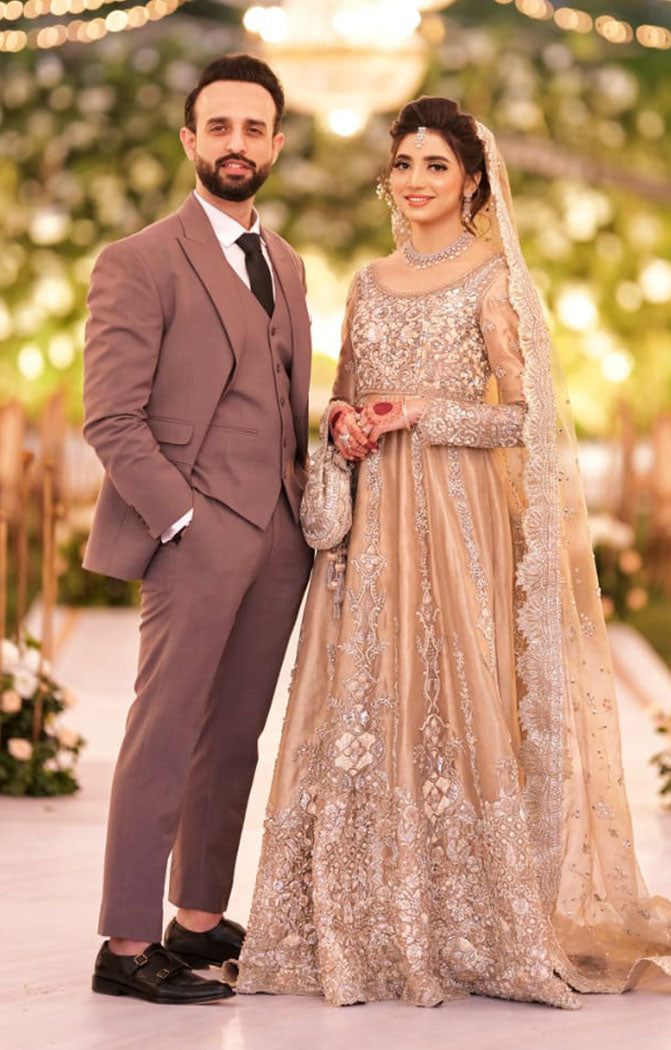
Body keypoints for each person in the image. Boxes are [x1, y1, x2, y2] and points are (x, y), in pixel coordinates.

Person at [229, 97, 671, 1009]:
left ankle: (474, 922)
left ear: (472, 180)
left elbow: (527, 419)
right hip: (374, 530)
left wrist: (427, 412)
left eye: (436, 165)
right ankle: (362, 918)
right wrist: (344, 423)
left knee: (456, 694)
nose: (416, 180)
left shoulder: (494, 278)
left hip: (459, 521)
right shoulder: (368, 282)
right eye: (404, 163)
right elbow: (344, 392)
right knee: (368, 699)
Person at [82, 54, 313, 1005]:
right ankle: (126, 942)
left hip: (281, 536)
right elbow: (111, 418)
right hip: (193, 530)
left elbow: (285, 396)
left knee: (235, 735)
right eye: (219, 126)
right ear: (190, 139)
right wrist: (180, 518)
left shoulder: (288, 262)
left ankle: (197, 920)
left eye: (253, 128)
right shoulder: (137, 260)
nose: (236, 143)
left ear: (276, 144)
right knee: (166, 730)